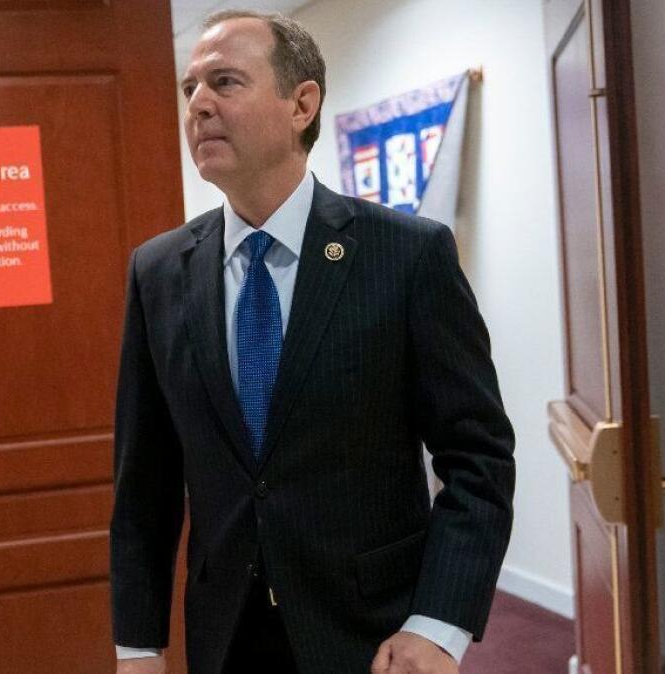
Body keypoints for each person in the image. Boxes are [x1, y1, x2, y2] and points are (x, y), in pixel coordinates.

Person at [110, 10, 515, 674]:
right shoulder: (157, 273)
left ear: (302, 104)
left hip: (374, 635)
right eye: (190, 90)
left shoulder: (406, 256)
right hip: (226, 636)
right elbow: (143, 483)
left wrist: (440, 624)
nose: (199, 106)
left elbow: (478, 458)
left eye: (225, 82)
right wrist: (138, 646)